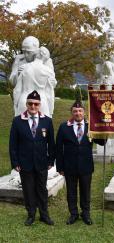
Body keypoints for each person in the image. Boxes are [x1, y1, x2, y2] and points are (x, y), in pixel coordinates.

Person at [9, 90, 55, 226]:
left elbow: (51, 143)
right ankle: (31, 215)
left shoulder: (47, 121)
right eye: (30, 104)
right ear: (26, 104)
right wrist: (15, 162)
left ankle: (44, 215)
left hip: (42, 162)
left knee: (42, 189)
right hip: (25, 163)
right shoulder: (17, 121)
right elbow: (13, 144)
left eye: (36, 104)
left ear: (39, 105)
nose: (33, 106)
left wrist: (51, 160)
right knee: (28, 190)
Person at [56, 101, 106, 225]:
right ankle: (73, 214)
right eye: (75, 111)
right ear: (72, 113)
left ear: (84, 112)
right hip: (69, 166)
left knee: (86, 191)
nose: (77, 113)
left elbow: (102, 142)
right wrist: (60, 167)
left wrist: (104, 128)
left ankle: (86, 214)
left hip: (86, 166)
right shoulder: (64, 127)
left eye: (80, 111)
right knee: (71, 192)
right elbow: (58, 148)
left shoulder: (91, 126)